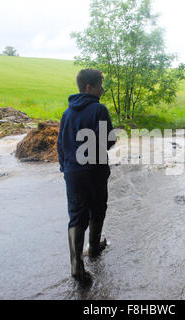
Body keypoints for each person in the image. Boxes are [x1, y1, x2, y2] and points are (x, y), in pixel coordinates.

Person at [57, 69, 116, 284]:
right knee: (97, 209)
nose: (103, 88)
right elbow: (109, 141)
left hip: (73, 173)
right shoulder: (99, 110)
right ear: (89, 87)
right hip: (95, 171)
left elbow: (60, 145)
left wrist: (66, 168)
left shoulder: (67, 113)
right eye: (100, 84)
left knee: (76, 215)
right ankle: (93, 248)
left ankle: (76, 266)